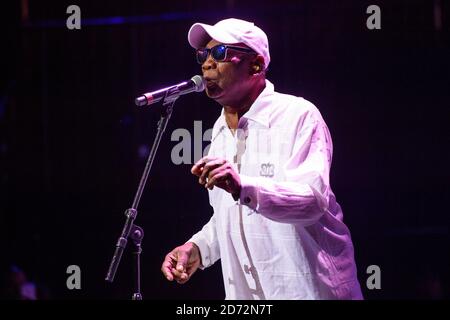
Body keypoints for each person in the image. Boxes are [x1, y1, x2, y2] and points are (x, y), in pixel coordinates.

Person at [161, 18, 363, 300]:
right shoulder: (218, 134)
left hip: (311, 291)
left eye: (219, 53)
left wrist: (243, 187)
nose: (207, 63)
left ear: (255, 65)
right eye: (203, 55)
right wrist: (197, 249)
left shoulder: (298, 115)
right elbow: (229, 216)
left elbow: (313, 201)